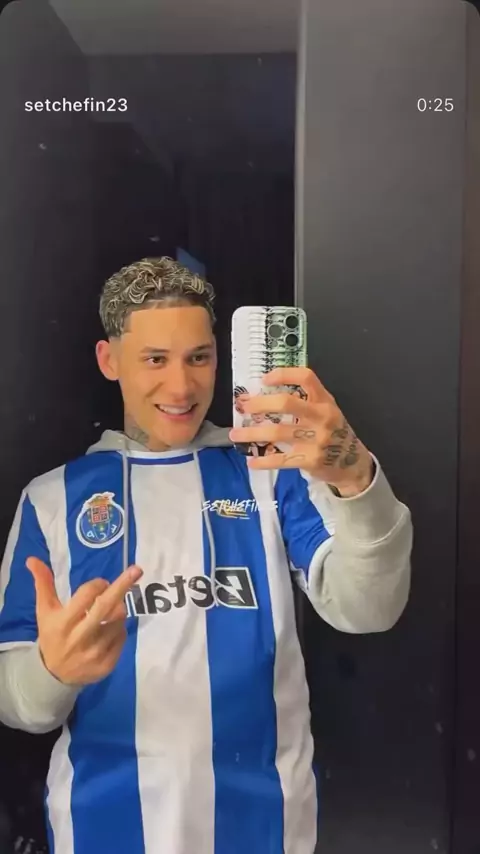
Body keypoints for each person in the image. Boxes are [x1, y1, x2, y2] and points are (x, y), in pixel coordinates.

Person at [0, 257, 413, 854]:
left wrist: (354, 477)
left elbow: (369, 608)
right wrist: (51, 672)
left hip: (265, 827)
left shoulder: (271, 473)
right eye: (155, 360)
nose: (181, 387)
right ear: (109, 361)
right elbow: (15, 701)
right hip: (103, 830)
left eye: (199, 357)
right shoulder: (51, 499)